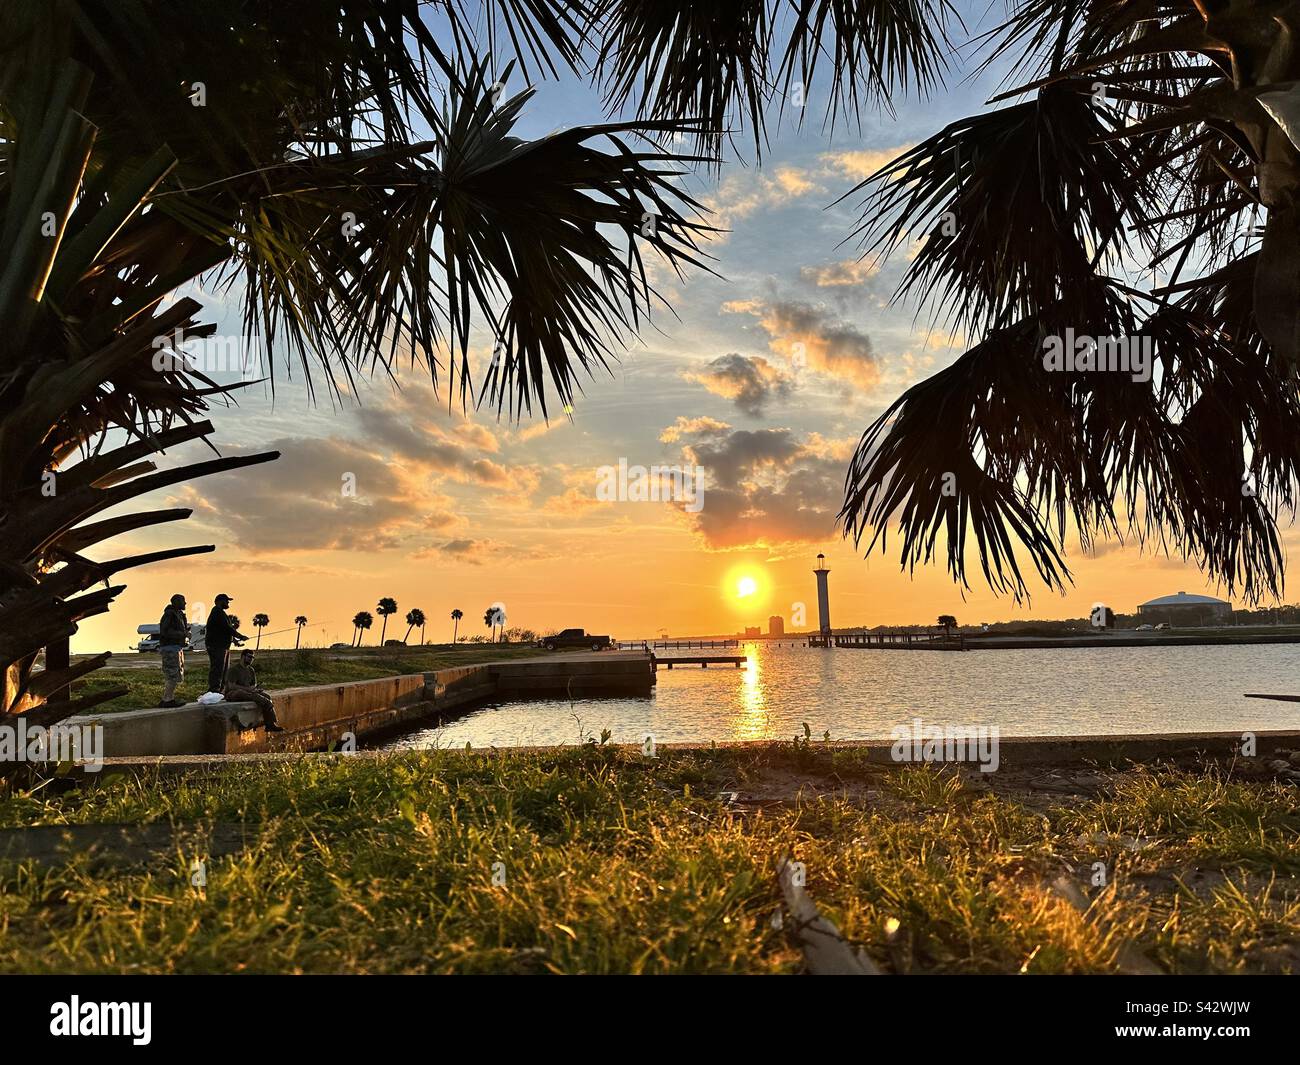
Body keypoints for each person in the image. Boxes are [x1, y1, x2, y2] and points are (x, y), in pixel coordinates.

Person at [224, 649, 283, 732]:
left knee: (267, 696)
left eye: (252, 657)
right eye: (249, 657)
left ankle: (270, 723)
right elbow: (231, 686)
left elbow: (253, 685)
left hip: (248, 692)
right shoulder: (234, 669)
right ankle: (269, 715)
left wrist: (256, 689)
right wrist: (248, 689)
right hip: (233, 693)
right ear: (243, 656)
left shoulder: (251, 670)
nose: (251, 659)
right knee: (249, 695)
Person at [204, 593, 248, 693]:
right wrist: (240, 636)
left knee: (223, 670)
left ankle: (221, 691)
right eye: (226, 600)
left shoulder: (221, 613)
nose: (228, 602)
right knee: (218, 669)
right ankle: (214, 690)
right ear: (220, 601)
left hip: (222, 646)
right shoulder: (217, 612)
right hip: (217, 646)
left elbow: (225, 630)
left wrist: (235, 640)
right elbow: (227, 628)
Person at [157, 593, 189, 707]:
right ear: (176, 602)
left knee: (175, 675)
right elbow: (165, 632)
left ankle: (168, 698)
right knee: (172, 675)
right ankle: (167, 700)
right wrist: (182, 634)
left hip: (176, 648)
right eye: (183, 601)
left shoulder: (178, 614)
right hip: (170, 648)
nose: (185, 603)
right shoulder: (169, 614)